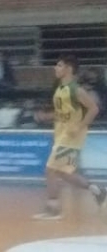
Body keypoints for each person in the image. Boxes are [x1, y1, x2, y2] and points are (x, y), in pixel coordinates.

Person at [33, 54, 107, 220]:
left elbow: (94, 109)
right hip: (61, 135)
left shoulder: (76, 90)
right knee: (63, 173)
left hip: (71, 136)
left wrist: (79, 127)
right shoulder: (60, 89)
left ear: (69, 69)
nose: (56, 68)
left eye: (59, 65)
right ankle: (97, 190)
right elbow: (62, 113)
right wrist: (46, 116)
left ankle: (54, 208)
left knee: (50, 170)